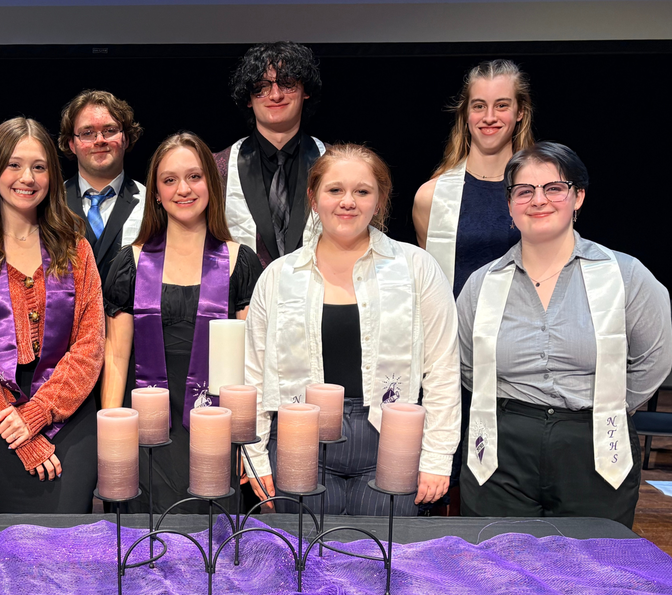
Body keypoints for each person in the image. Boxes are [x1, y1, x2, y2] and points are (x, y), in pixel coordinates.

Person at [458, 142, 672, 528]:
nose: (539, 200)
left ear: (578, 197)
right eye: (524, 191)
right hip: (502, 447)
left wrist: (608, 406)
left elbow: (654, 359)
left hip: (595, 443)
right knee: (499, 559)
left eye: (554, 188)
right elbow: (466, 365)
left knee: (592, 561)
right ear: (510, 204)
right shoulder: (482, 283)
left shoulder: (625, 275)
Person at [244, 144, 460, 516]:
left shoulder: (416, 268)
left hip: (391, 440)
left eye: (362, 191)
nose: (348, 201)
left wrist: (437, 457)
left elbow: (442, 368)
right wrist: (255, 458)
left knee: (385, 550)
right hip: (299, 441)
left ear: (379, 201)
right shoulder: (278, 276)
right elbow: (255, 375)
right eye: (335, 190)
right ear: (314, 199)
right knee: (304, 550)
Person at [0, 118, 103, 513]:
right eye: (14, 165)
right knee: (10, 540)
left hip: (68, 413)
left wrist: (37, 414)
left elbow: (89, 345)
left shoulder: (76, 250)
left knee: (67, 534)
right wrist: (19, 428)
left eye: (39, 167)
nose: (27, 178)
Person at [102, 132, 261, 514]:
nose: (183, 189)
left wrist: (245, 440)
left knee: (212, 537)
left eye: (194, 177)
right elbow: (116, 356)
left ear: (211, 183)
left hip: (215, 426)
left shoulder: (241, 262)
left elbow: (250, 363)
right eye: (169, 180)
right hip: (146, 424)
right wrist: (112, 436)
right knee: (145, 535)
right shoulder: (130, 262)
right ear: (156, 193)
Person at [412, 59, 533, 297]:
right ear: (466, 113)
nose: (489, 117)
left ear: (520, 111)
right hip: (458, 321)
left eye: (501, 105)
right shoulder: (432, 197)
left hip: (528, 319)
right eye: (479, 106)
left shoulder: (541, 192)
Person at [214, 41, 326, 268]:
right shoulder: (217, 168)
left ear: (305, 91)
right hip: (244, 291)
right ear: (248, 98)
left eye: (288, 83)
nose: (275, 95)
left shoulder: (336, 163)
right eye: (261, 87)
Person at [59, 90, 146, 287]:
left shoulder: (149, 204)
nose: (99, 140)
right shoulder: (51, 204)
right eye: (87, 133)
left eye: (110, 130)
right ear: (71, 144)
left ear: (126, 138)